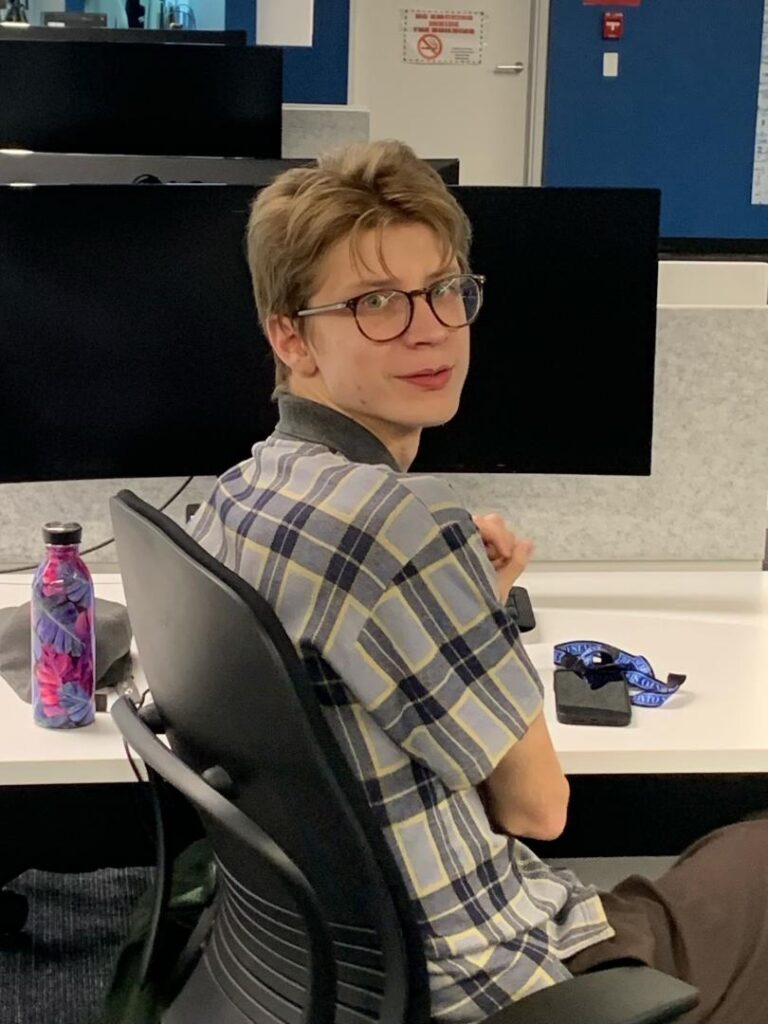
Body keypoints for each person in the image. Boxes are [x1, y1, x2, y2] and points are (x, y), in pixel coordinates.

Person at [189, 140, 768, 1024]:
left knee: (731, 857)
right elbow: (538, 808)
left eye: (446, 290)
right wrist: (472, 606)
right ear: (289, 337)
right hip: (494, 979)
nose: (430, 329)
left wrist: (467, 598)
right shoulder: (390, 529)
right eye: (375, 302)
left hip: (351, 972)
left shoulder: (236, 498)